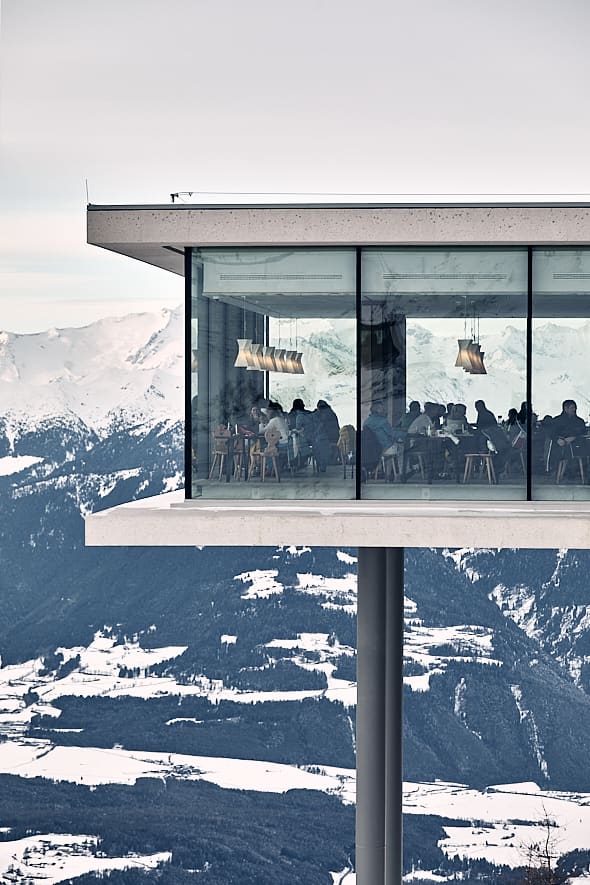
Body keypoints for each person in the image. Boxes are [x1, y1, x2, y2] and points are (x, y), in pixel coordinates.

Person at [546, 399, 589, 473]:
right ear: (565, 408)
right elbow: (551, 433)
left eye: (575, 408)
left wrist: (574, 438)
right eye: (572, 408)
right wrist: (557, 439)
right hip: (561, 445)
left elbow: (583, 434)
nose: (574, 410)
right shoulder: (557, 420)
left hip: (577, 446)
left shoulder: (579, 421)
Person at [312, 400, 340, 473]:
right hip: (336, 436)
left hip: (329, 437)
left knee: (317, 442)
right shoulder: (331, 412)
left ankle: (322, 464)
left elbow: (321, 426)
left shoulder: (325, 414)